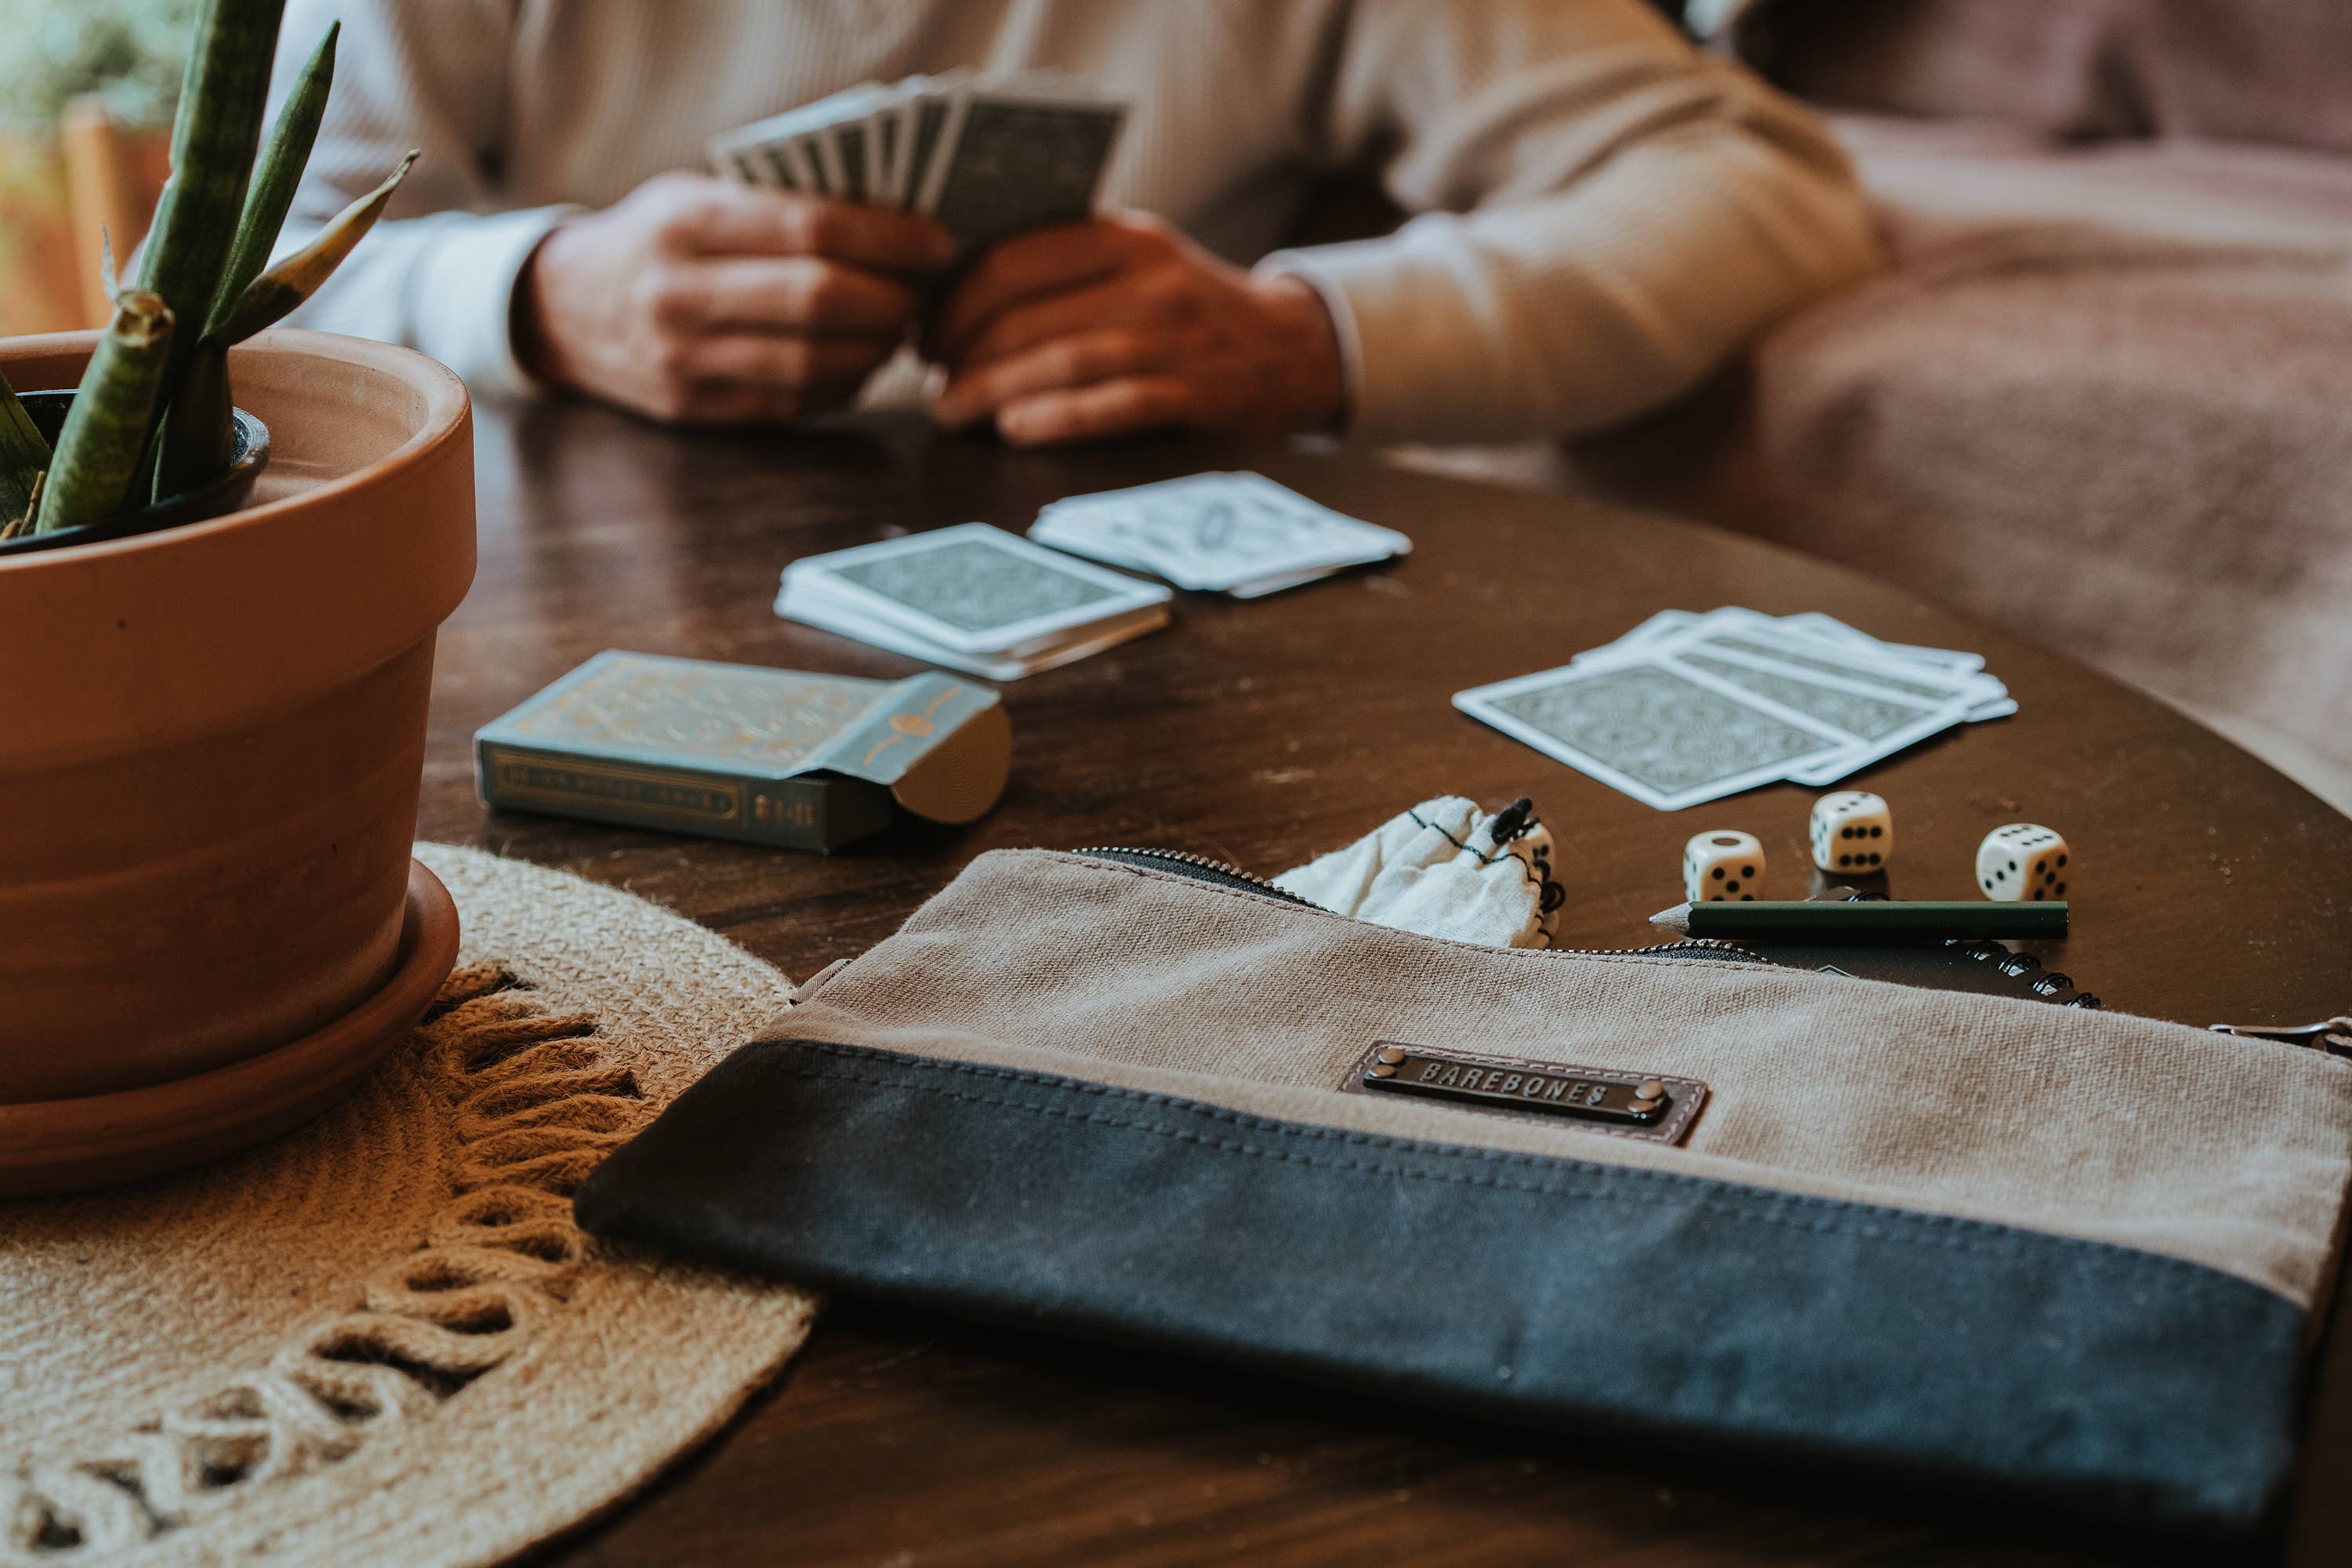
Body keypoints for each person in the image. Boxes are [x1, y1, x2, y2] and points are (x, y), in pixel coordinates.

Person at [270, 0, 1878, 448]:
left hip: (1105, 653)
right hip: (504, 604)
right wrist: (540, 296)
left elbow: (1753, 183)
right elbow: (213, 314)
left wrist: (1307, 335)